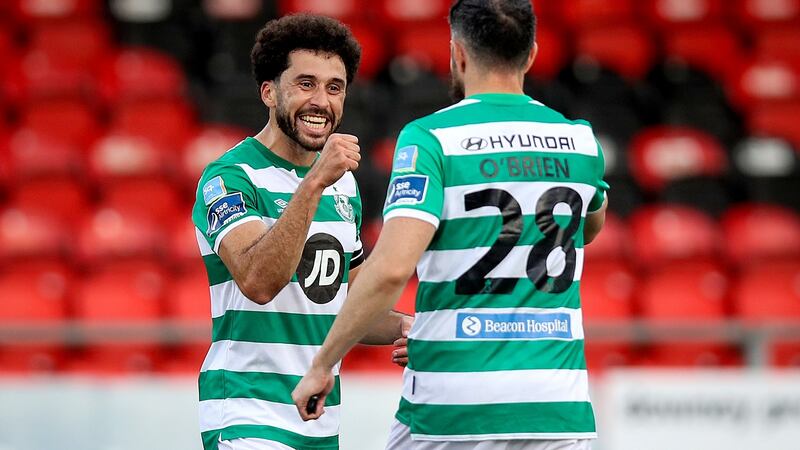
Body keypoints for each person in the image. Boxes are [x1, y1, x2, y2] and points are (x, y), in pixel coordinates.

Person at [292, 1, 609, 449]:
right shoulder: (579, 139)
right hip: (558, 409)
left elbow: (389, 269)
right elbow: (586, 227)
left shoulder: (432, 139)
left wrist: (324, 363)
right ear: (532, 54)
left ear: (457, 53)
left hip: (453, 405)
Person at [191, 14, 412, 450]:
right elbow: (258, 282)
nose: (321, 101)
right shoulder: (230, 178)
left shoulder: (344, 185)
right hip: (246, 414)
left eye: (335, 87)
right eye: (305, 84)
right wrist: (312, 184)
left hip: (318, 419)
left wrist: (411, 327)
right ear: (269, 92)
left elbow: (345, 300)